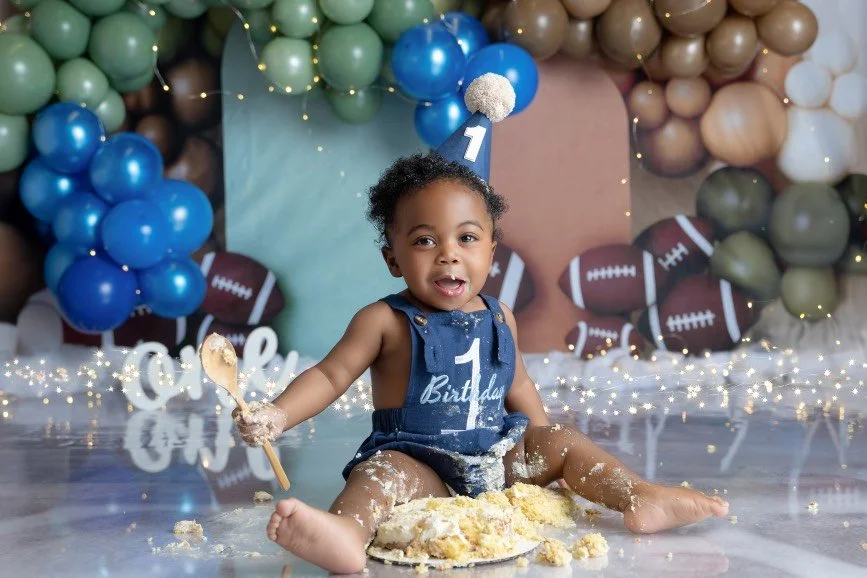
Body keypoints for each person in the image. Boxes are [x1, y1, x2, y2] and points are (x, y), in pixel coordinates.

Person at [233, 74, 729, 574]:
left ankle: (637, 495)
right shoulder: (383, 320)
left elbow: (517, 383)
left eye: (467, 238)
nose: (448, 255)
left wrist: (542, 449)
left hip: (495, 460)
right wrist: (276, 414)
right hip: (421, 465)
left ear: (492, 249)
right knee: (381, 475)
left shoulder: (499, 316)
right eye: (426, 241)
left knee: (564, 441)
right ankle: (345, 531)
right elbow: (329, 376)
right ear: (392, 258)